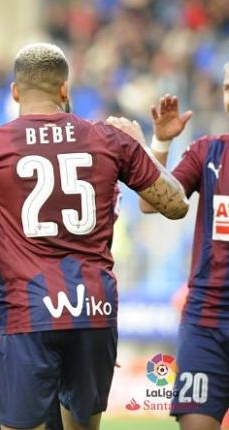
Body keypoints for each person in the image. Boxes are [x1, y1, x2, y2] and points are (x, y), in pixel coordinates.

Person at [0, 43, 189, 430]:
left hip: (29, 310)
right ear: (64, 90)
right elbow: (176, 204)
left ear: (14, 92)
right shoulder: (109, 139)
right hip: (94, 310)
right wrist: (145, 145)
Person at [136, 63, 229, 430]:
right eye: (226, 87)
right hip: (205, 322)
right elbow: (149, 203)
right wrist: (160, 143)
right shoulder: (208, 153)